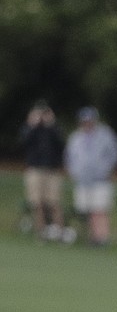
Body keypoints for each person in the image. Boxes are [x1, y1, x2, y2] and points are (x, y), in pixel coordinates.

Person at [64, 107, 117, 246]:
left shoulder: (106, 135)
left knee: (100, 209)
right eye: (84, 121)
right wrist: (74, 171)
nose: (87, 123)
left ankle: (102, 238)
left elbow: (115, 154)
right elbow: (69, 157)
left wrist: (106, 169)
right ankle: (92, 237)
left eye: (89, 120)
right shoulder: (76, 137)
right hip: (83, 179)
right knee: (87, 209)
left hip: (101, 179)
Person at [18, 100, 67, 241]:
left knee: (54, 202)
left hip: (52, 170)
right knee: (37, 202)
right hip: (35, 169)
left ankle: (60, 233)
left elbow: (61, 144)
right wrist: (33, 124)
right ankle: (41, 233)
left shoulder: (54, 129)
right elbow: (24, 142)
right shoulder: (30, 129)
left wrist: (51, 125)